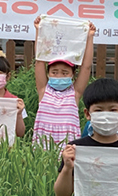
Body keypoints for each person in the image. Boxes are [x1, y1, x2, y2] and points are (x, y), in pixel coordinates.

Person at [33, 16, 95, 148]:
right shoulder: (43, 90)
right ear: (48, 73)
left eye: (65, 73)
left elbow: (86, 67)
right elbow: (39, 61)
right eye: (54, 72)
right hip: (43, 146)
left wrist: (90, 37)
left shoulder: (75, 92)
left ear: (73, 74)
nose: (59, 75)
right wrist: (39, 31)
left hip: (67, 146)